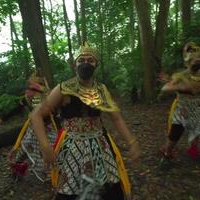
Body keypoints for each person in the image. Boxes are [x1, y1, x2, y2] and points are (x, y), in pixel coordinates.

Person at [31, 42, 140, 200]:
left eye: (90, 60)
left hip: (99, 143)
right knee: (68, 191)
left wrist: (132, 141)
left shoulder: (102, 89)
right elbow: (36, 114)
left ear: (96, 64)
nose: (86, 63)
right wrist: (45, 145)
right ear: (75, 64)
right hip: (72, 144)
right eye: (81, 60)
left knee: (112, 189)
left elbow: (116, 118)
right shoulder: (64, 88)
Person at [0, 71, 60, 182]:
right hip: (33, 130)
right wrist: (1, 119)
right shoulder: (26, 100)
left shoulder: (48, 100)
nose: (27, 92)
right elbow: (16, 109)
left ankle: (53, 175)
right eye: (27, 89)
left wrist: (44, 90)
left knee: (53, 151)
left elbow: (56, 104)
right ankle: (17, 171)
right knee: (23, 149)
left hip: (49, 130)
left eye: (32, 90)